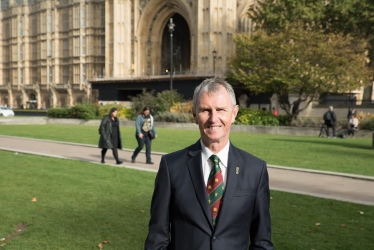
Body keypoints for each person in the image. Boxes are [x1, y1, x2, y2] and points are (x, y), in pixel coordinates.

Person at [144, 78, 273, 250]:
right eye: (206, 110)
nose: (214, 118)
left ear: (234, 113)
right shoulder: (171, 167)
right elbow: (156, 239)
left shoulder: (255, 170)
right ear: (194, 115)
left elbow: (262, 242)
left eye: (221, 109)